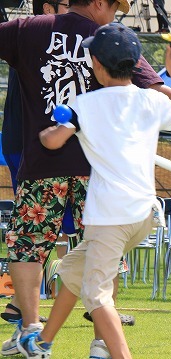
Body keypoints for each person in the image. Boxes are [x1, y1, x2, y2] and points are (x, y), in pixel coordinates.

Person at [0, 0, 171, 357]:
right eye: (115, 7)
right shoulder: (112, 39)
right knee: (90, 260)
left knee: (29, 245)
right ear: (98, 3)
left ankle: (32, 329)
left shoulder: (28, 30)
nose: (116, 16)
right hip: (105, 182)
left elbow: (52, 136)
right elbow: (160, 96)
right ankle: (77, 340)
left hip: (43, 167)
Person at [0, 0, 83, 327]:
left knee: (61, 230)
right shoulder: (35, 36)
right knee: (41, 228)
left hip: (59, 149)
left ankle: (22, 305)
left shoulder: (70, 39)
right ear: (49, 6)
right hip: (31, 147)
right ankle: (26, 308)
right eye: (67, 4)